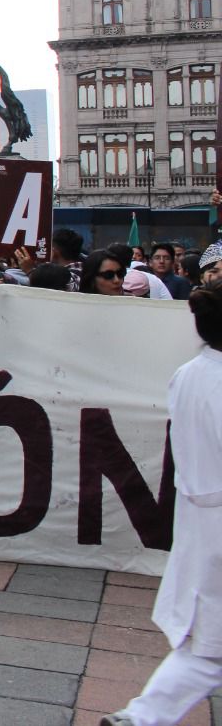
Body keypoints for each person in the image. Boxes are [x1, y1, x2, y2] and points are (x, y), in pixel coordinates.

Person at [101, 283, 222, 726]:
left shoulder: (191, 371)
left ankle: (140, 718)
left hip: (201, 522)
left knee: (207, 649)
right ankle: (140, 719)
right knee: (208, 653)